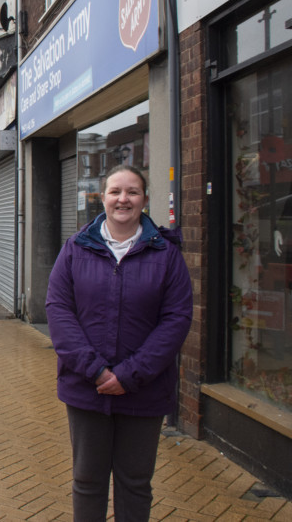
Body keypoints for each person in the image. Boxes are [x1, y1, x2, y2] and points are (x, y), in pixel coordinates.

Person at [45, 165, 192, 521]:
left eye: (132, 192)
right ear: (103, 197)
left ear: (144, 199)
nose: (123, 199)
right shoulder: (75, 248)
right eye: (115, 192)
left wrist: (129, 374)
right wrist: (95, 370)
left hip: (145, 390)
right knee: (87, 480)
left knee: (136, 483)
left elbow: (176, 319)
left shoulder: (166, 254)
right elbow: (58, 310)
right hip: (86, 389)